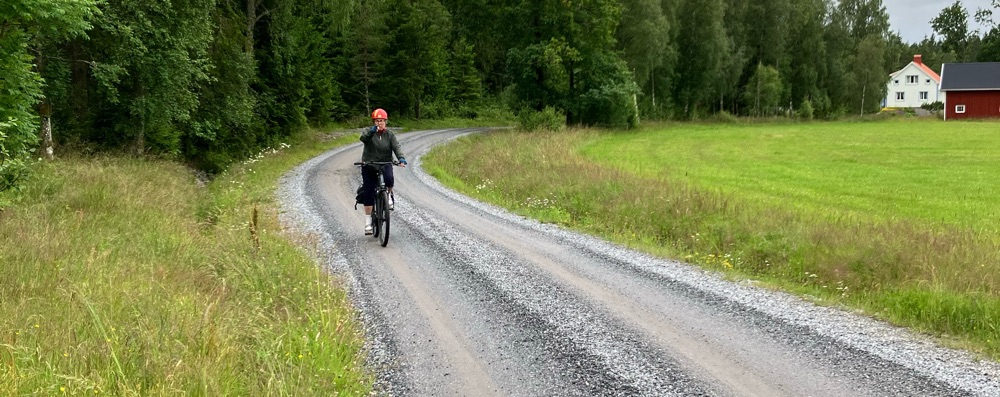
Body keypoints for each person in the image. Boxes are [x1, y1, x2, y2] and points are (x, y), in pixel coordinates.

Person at [360, 108, 406, 235]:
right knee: (368, 192)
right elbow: (363, 139)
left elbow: (396, 146)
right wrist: (372, 131)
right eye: (377, 120)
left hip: (385, 163)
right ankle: (368, 222)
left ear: (385, 121)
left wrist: (401, 158)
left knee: (389, 179)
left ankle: (388, 195)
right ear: (373, 121)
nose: (379, 123)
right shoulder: (368, 131)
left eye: (382, 121)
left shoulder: (389, 134)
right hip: (369, 164)